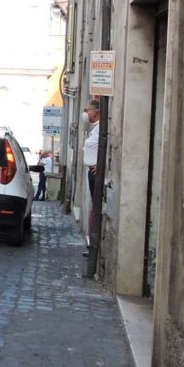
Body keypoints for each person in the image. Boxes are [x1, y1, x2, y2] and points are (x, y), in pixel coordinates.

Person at [83, 99, 100, 256]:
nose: (86, 113)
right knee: (93, 207)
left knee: (96, 207)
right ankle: (90, 241)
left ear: (95, 112)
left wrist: (99, 165)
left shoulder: (101, 127)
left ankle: (93, 243)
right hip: (92, 171)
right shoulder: (94, 128)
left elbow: (106, 146)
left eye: (87, 110)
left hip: (96, 172)